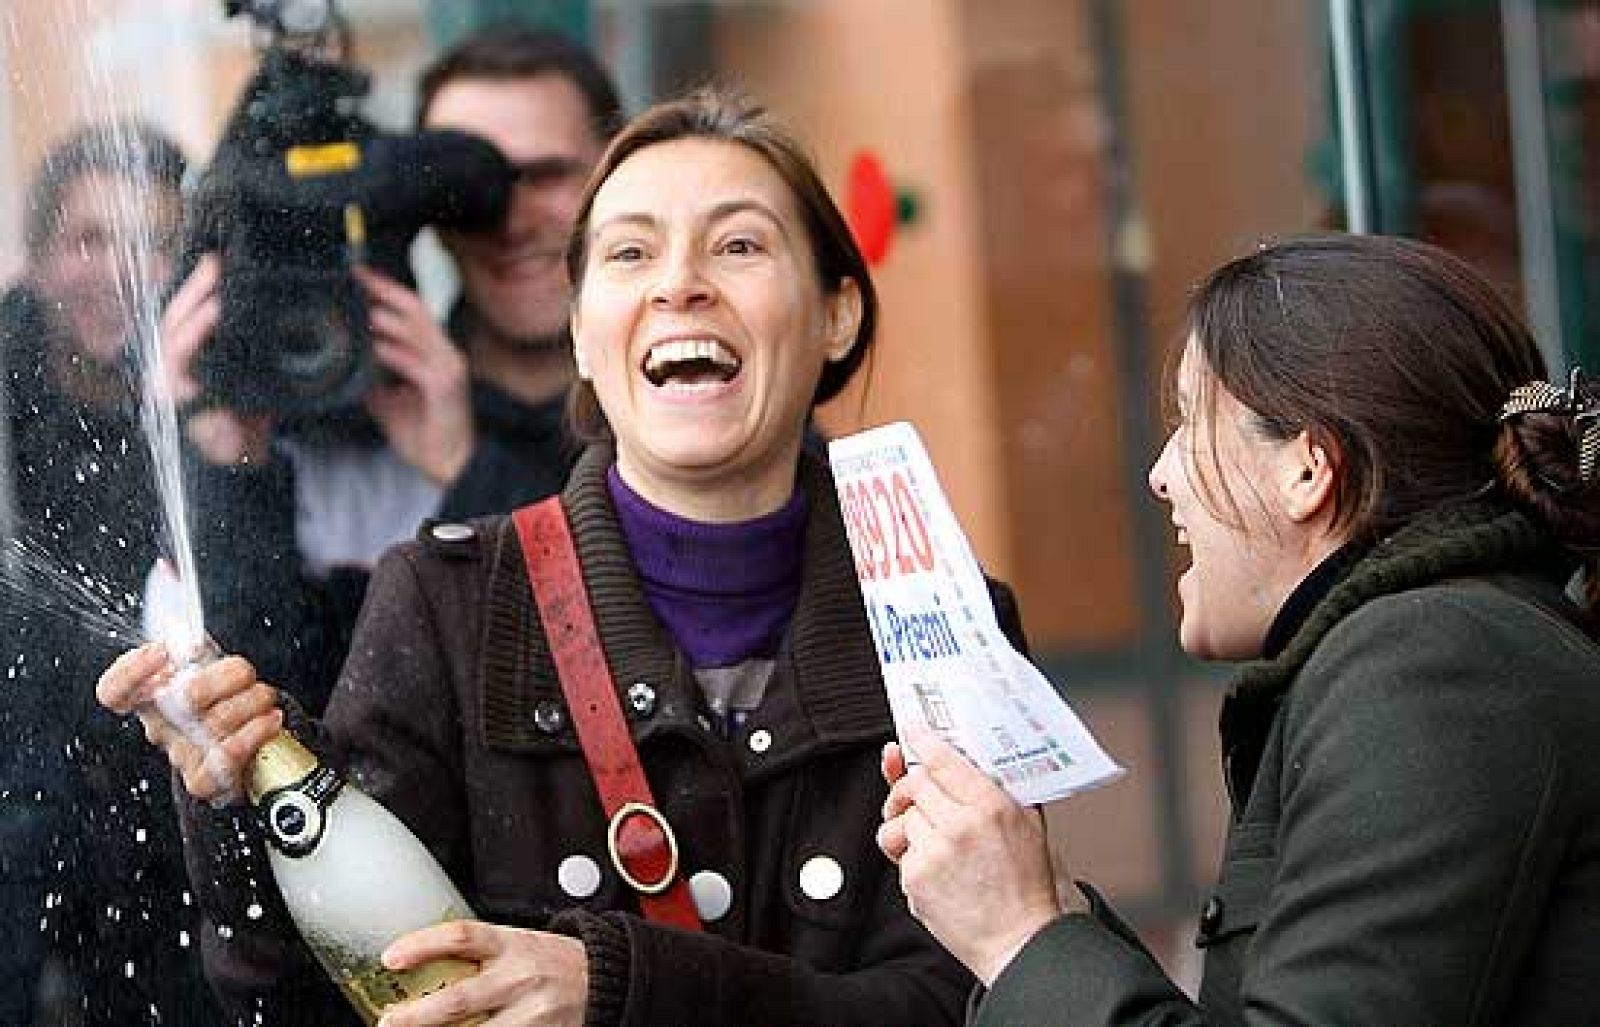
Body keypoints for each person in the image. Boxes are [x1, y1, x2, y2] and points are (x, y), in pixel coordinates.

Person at [100, 89, 1019, 1026]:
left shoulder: (944, 624)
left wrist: (617, 989)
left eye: (738, 245)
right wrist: (245, 798)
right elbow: (313, 999)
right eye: (630, 252)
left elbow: (973, 1000)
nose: (679, 285)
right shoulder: (444, 599)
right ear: (581, 330)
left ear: (836, 313)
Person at [879, 233, 1600, 1024]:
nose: (1162, 473)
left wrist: (1020, 937)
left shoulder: (1435, 664)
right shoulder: (1449, 644)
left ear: (1307, 468)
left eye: (1191, 421)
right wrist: (1046, 909)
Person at [150, 25, 623, 714]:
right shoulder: (351, 426)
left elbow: (628, 667)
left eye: (546, 176)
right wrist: (225, 466)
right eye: (473, 190)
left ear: (617, 171)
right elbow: (278, 729)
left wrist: (470, 473)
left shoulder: (681, 403)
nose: (511, 220)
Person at [0, 121, 222, 1025]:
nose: (117, 271)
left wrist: (208, 435)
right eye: (89, 240)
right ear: (40, 257)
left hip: (176, 833)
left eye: (150, 242)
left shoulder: (218, 391)